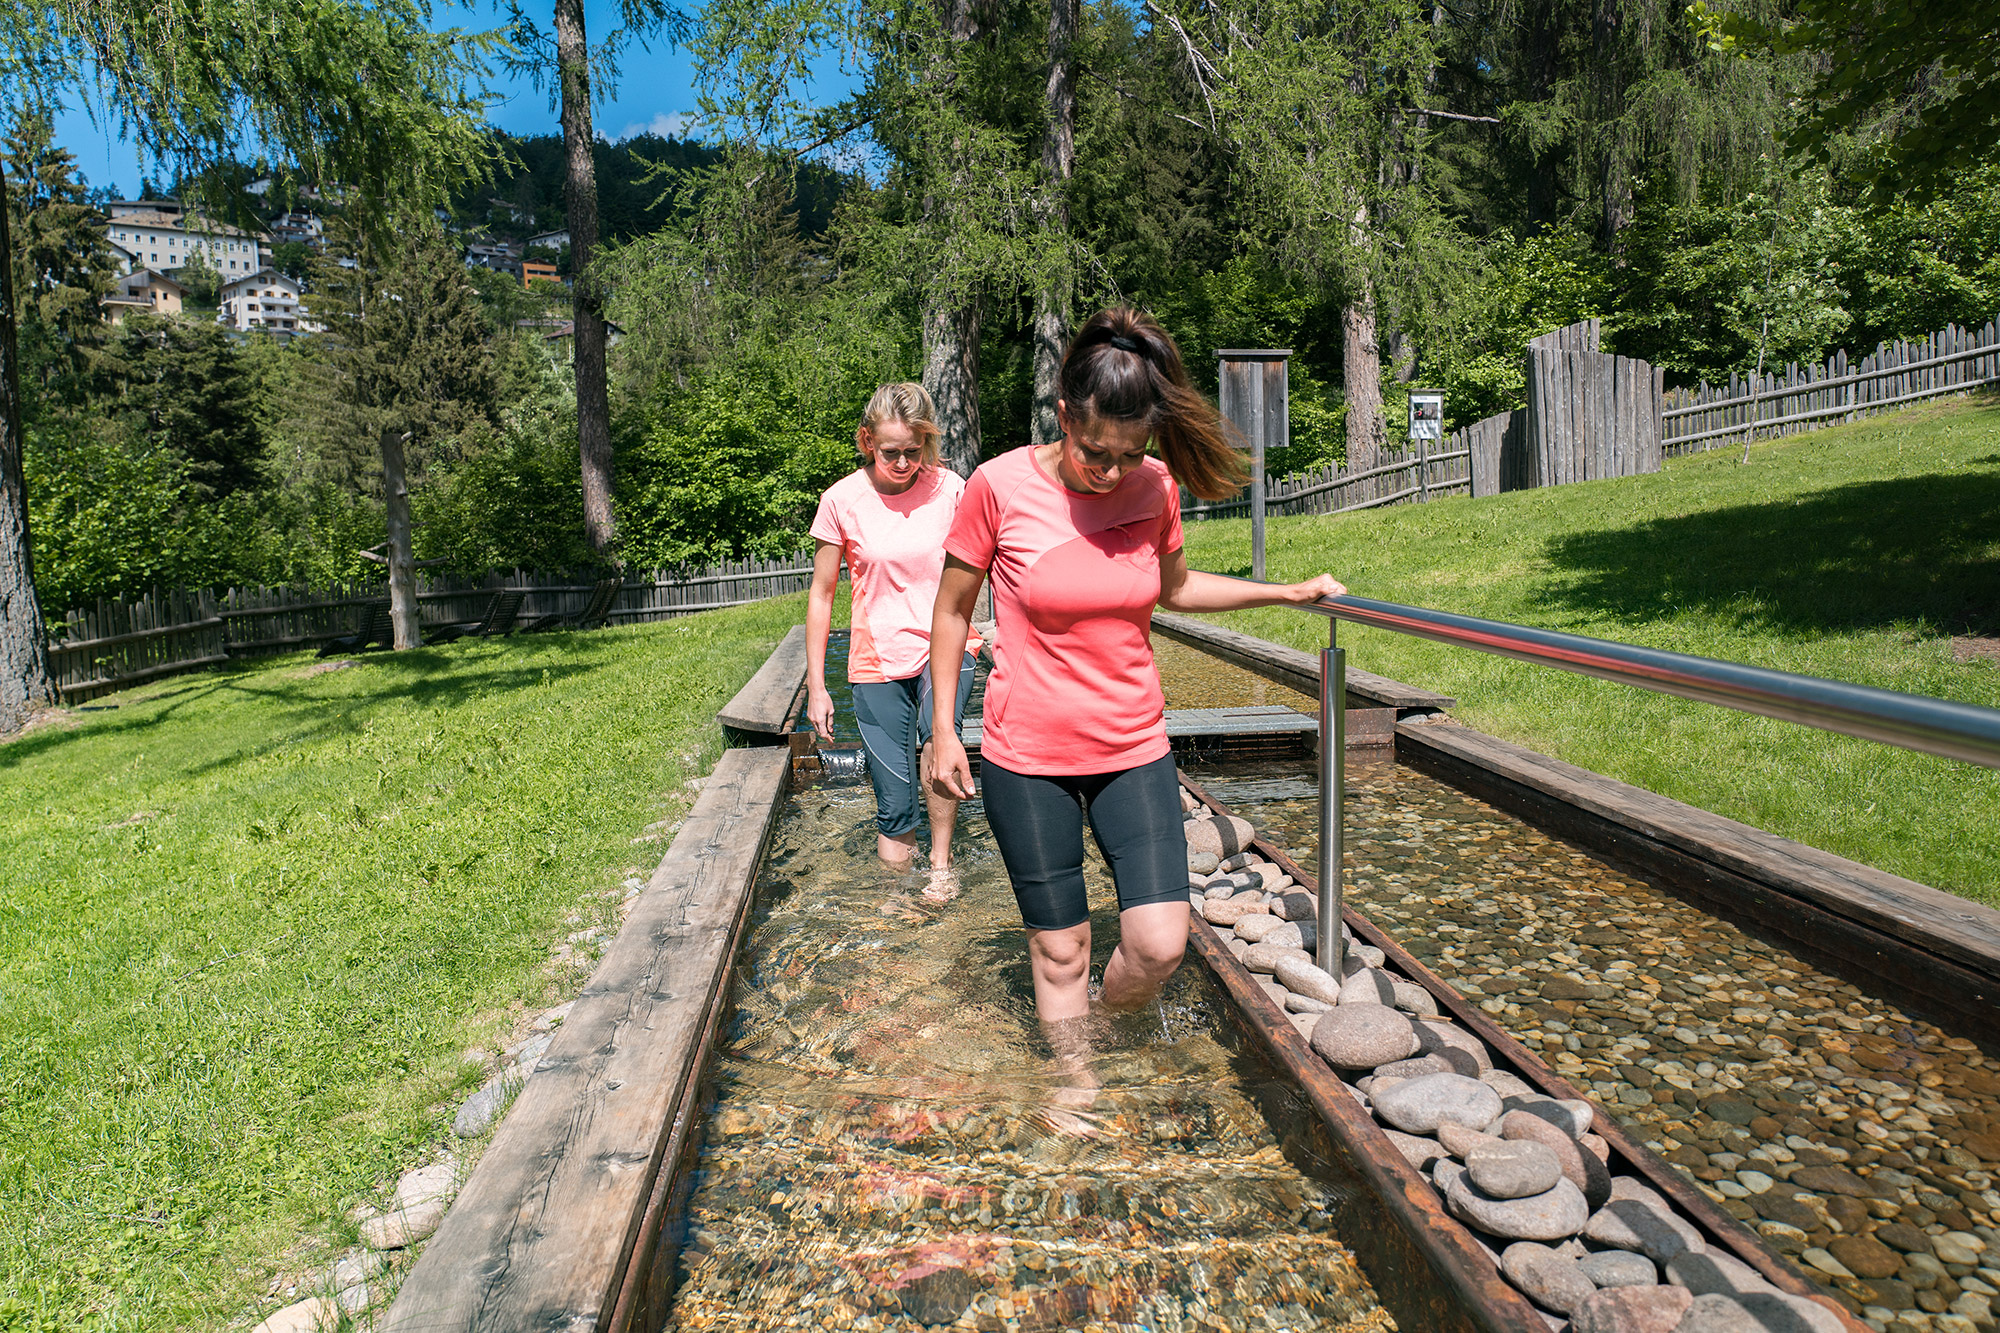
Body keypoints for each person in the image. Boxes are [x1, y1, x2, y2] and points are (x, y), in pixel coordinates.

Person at [926, 308, 1346, 1035]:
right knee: (1061, 950)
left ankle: (1100, 1026)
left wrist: (1284, 591)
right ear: (1064, 414)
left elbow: (1175, 587)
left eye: (1130, 452)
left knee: (1158, 945)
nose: (1113, 471)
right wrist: (941, 729)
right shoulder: (997, 487)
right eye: (1096, 452)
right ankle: (1076, 1086)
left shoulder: (1155, 487)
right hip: (1029, 757)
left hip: (1132, 746)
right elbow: (953, 609)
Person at [806, 382, 980, 878]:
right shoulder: (841, 500)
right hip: (875, 659)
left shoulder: (952, 489)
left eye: (913, 451)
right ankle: (897, 907)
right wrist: (818, 688)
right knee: (894, 800)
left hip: (945, 648)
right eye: (890, 453)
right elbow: (822, 595)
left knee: (939, 738)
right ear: (866, 441)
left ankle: (942, 871)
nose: (903, 463)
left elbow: (989, 564)